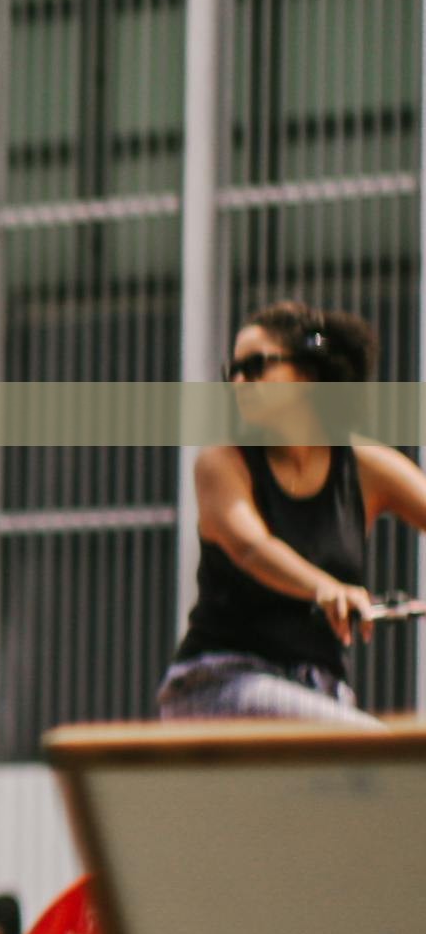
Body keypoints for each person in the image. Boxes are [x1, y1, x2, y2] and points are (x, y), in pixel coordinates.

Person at [159, 301, 426, 723]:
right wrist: (325, 587)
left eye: (257, 366)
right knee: (377, 758)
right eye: (234, 372)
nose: (240, 382)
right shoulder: (223, 463)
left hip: (321, 692)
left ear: (308, 375)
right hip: (221, 685)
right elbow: (251, 547)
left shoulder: (363, 467)